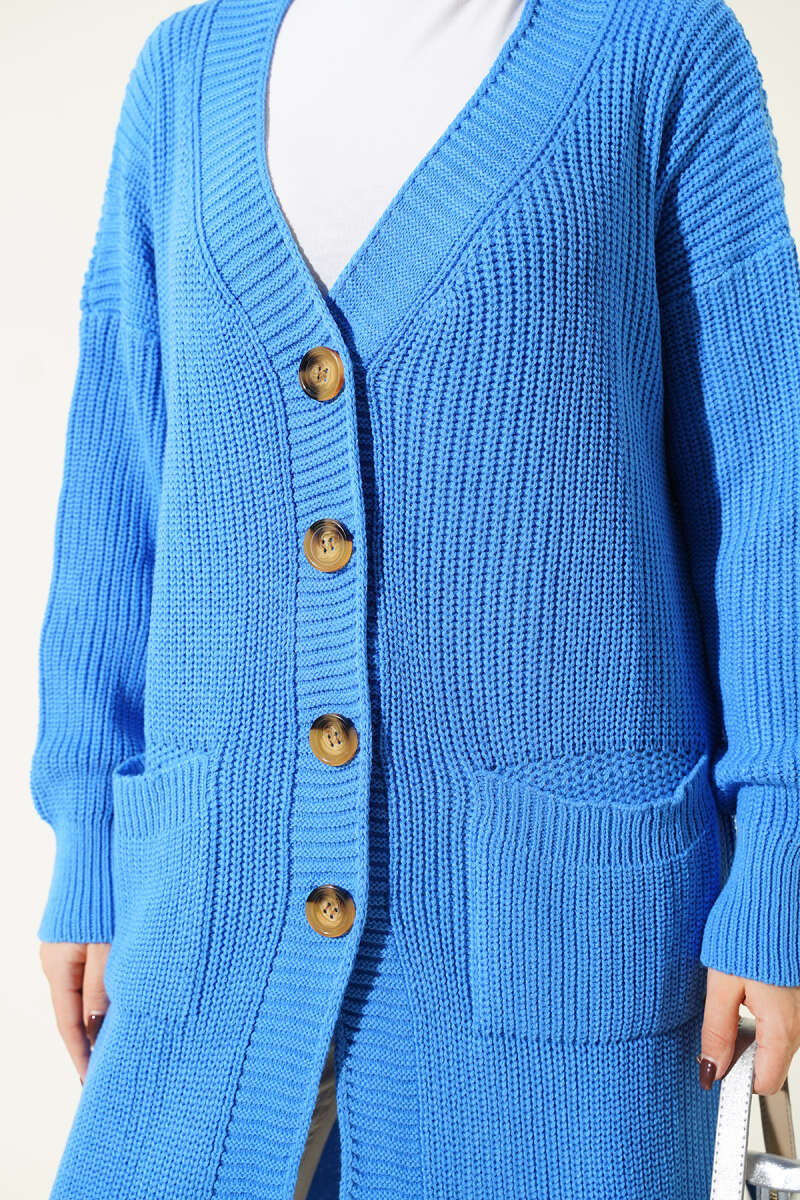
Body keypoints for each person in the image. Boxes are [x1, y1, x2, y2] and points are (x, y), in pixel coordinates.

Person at [31, 0, 800, 1197]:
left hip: (551, 935)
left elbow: (765, 485)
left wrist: (782, 854)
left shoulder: (655, 50)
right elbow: (118, 489)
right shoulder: (183, 76)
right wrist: (87, 838)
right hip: (210, 900)